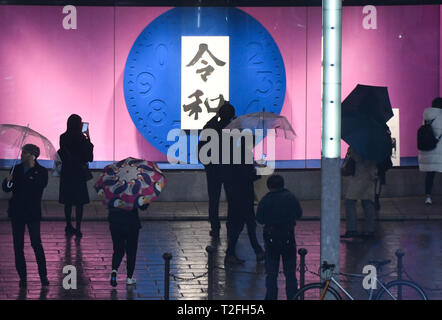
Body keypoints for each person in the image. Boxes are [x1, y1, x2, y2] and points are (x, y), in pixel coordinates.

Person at [2, 144, 49, 288]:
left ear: (32, 155)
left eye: (25, 153)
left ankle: (43, 275)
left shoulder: (41, 171)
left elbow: (38, 186)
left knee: (36, 243)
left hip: (32, 212)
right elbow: (6, 188)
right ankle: (22, 276)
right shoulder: (16, 169)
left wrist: (23, 180)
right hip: (17, 212)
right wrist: (8, 180)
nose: (22, 155)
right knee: (18, 245)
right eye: (22, 152)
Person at [223, 120, 264, 264]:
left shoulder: (230, 151)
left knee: (245, 223)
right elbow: (246, 175)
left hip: (235, 192)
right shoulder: (242, 152)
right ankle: (235, 253)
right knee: (244, 224)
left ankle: (257, 251)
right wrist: (257, 173)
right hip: (243, 193)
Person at [256, 174, 303, 300]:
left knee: (271, 273)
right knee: (290, 273)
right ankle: (292, 296)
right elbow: (299, 214)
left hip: (271, 239)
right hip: (288, 237)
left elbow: (259, 219)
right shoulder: (291, 197)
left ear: (269, 186)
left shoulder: (265, 200)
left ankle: (271, 297)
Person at [198, 102, 236, 238]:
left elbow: (201, 150)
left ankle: (215, 228)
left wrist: (215, 117)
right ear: (232, 115)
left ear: (220, 114)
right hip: (230, 169)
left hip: (213, 169)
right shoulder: (234, 130)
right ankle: (231, 225)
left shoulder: (210, 128)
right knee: (232, 199)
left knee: (213, 199)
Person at [58, 114, 94, 238]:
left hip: (67, 173)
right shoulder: (82, 139)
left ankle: (68, 225)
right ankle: (78, 228)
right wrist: (88, 137)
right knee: (79, 203)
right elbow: (89, 158)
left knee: (67, 202)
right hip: (79, 173)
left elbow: (62, 154)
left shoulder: (63, 137)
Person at [341, 147, 377, 238]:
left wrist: (351, 151)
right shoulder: (374, 144)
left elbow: (358, 158)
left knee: (350, 201)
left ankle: (352, 229)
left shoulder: (361, 145)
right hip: (370, 176)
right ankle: (369, 230)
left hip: (360, 177)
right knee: (367, 202)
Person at [109, 204, 148, 287]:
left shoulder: (113, 191)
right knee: (131, 251)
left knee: (118, 250)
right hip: (132, 223)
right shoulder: (135, 191)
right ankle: (129, 277)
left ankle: (114, 270)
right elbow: (143, 207)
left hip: (115, 222)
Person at [418, 97, 442, 205]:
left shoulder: (426, 116)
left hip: (428, 150)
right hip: (439, 151)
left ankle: (428, 197)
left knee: (430, 175)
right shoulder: (441, 115)